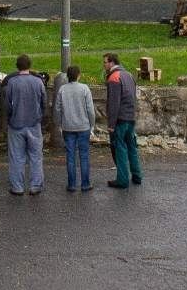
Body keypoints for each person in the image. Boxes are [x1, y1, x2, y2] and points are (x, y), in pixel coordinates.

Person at [2, 54, 47, 195]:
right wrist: (40, 116)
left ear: (17, 66)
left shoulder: (12, 83)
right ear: (30, 65)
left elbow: (7, 105)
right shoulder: (38, 82)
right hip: (34, 124)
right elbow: (44, 102)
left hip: (16, 124)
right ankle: (35, 186)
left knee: (16, 157)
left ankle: (17, 187)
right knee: (36, 156)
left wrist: (9, 118)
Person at [102, 52, 143, 189]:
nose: (104, 65)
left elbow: (114, 103)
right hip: (131, 117)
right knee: (132, 147)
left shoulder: (114, 77)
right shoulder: (129, 75)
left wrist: (111, 124)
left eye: (105, 62)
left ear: (112, 62)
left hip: (120, 119)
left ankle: (123, 179)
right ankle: (137, 175)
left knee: (120, 149)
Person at [55, 64, 96, 193]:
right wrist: (92, 124)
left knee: (70, 156)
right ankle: (85, 184)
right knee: (84, 155)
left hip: (68, 127)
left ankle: (71, 184)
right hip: (83, 126)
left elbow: (57, 109)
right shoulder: (85, 88)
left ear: (68, 76)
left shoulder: (62, 89)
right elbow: (90, 109)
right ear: (79, 75)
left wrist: (59, 124)